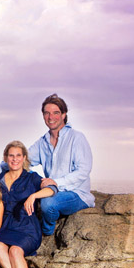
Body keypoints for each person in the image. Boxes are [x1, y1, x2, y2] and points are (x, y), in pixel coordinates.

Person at [29, 93, 94, 236]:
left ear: (64, 115)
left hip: (77, 193)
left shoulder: (76, 138)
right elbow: (20, 160)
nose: (50, 117)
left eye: (56, 113)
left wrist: (56, 183)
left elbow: (83, 171)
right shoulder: (43, 142)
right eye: (47, 113)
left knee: (48, 204)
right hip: (53, 190)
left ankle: (46, 234)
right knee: (26, 176)